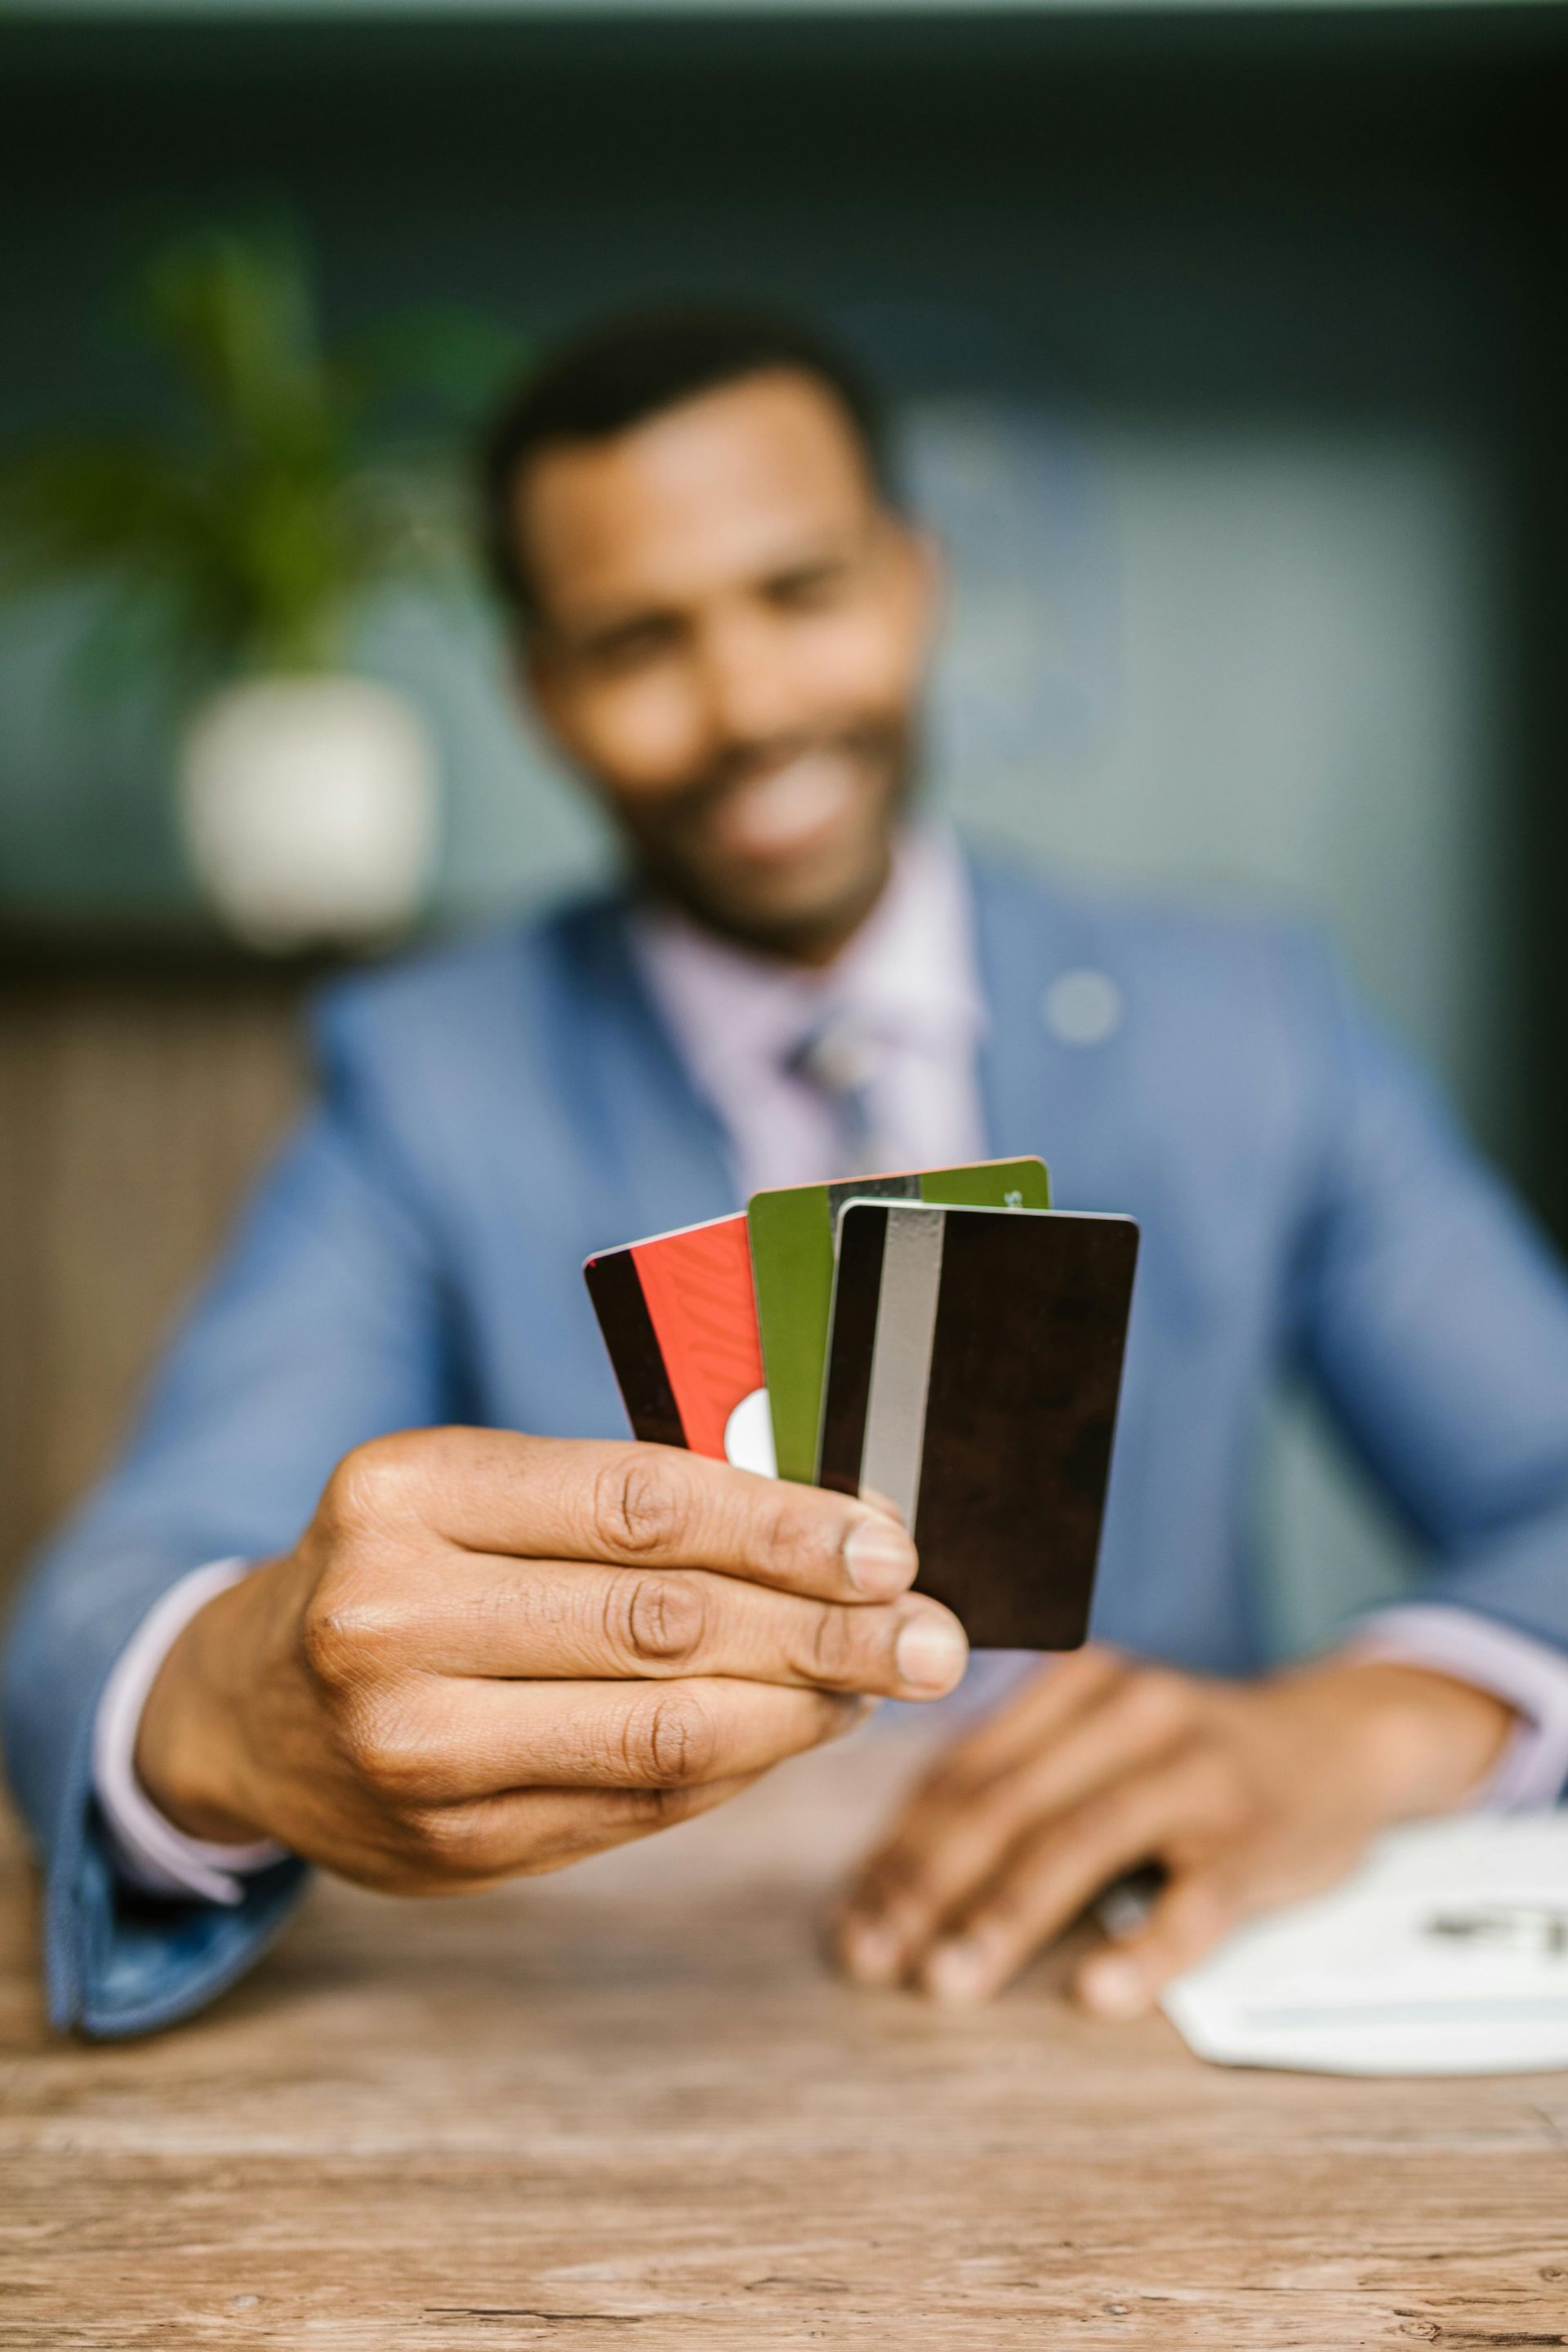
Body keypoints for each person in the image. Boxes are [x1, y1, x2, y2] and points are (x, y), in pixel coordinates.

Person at [6, 306, 1568, 2044]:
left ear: (915, 583)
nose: (747, 705)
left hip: (1151, 2011)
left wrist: (1370, 1725)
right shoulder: (429, 1078)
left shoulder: (1248, 1020)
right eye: (637, 641)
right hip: (649, 2041)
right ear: (540, 694)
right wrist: (224, 1708)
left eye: (800, 595)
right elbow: (123, 1577)